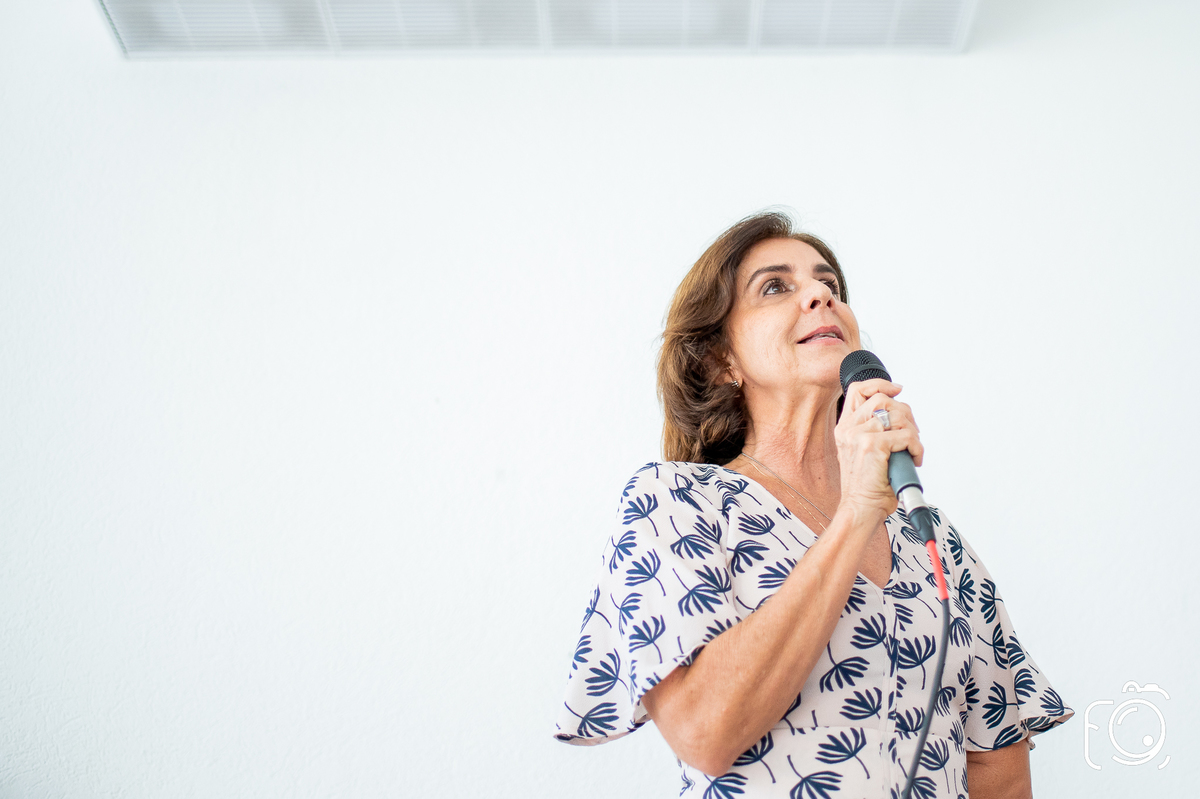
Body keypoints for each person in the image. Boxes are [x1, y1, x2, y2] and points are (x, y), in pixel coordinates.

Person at [554, 211, 1073, 798]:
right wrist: (856, 513)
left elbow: (998, 769)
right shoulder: (675, 502)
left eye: (829, 284)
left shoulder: (934, 538)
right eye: (776, 286)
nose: (821, 295)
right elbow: (705, 733)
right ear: (720, 361)